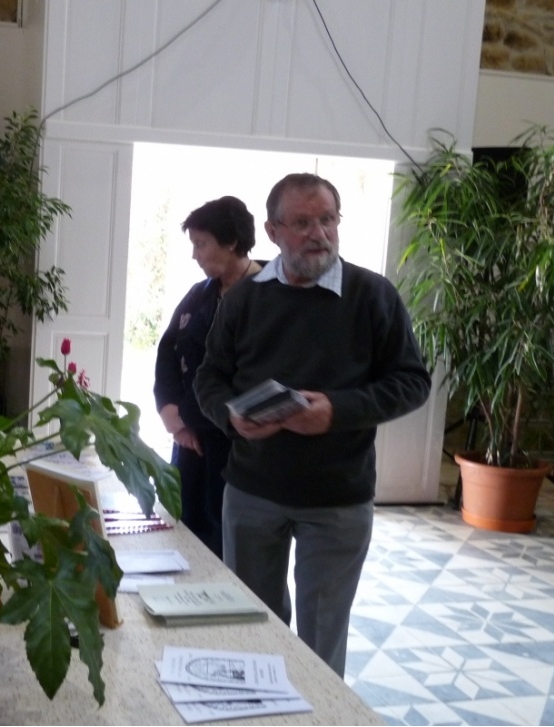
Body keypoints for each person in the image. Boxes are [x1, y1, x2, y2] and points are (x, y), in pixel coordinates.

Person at [194, 173, 431, 676]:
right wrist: (231, 418)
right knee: (253, 626)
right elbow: (210, 378)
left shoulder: (373, 295)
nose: (318, 232)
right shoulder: (244, 298)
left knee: (322, 642)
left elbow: (412, 382)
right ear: (273, 230)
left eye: (327, 219)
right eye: (302, 222)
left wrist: (337, 412)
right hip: (253, 492)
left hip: (338, 499)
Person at [154, 195, 261, 558]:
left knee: (227, 542)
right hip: (189, 439)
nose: (195, 254)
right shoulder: (199, 295)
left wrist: (189, 417)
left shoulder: (268, 296)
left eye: (201, 244)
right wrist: (174, 417)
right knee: (184, 532)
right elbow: (167, 354)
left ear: (231, 243)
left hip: (235, 444)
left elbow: (248, 378)